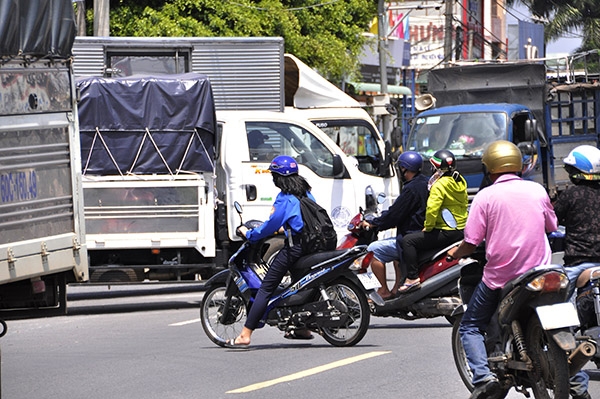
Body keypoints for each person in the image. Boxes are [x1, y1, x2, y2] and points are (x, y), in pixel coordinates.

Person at [446, 140, 559, 399]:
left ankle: (484, 377)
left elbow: (472, 241)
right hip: (541, 271)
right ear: (518, 165)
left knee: (470, 326)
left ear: (489, 168)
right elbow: (552, 226)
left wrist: (455, 253)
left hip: (502, 276)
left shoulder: (485, 196)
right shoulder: (537, 190)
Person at [226, 155, 314, 348]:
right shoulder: (305, 192)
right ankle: (301, 327)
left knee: (266, 288)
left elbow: (269, 226)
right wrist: (286, 228)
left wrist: (250, 234)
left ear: (277, 177)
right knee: (300, 285)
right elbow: (303, 220)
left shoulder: (285, 198)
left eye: (273, 175)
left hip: (296, 247)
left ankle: (245, 335)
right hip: (314, 245)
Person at [552, 145, 600, 399]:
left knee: (561, 319)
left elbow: (552, 220)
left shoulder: (570, 196)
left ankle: (577, 384)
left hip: (578, 265)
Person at [359, 151, 429, 299]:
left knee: (374, 250)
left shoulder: (411, 189)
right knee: (395, 250)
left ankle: (383, 290)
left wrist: (374, 224)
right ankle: (397, 289)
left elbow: (394, 215)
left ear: (405, 169)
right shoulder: (425, 182)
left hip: (411, 235)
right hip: (420, 233)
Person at [398, 149, 468, 293]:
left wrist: (428, 228)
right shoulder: (459, 180)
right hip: (461, 230)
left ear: (435, 167)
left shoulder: (439, 185)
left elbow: (432, 209)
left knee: (408, 241)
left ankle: (412, 278)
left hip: (446, 231)